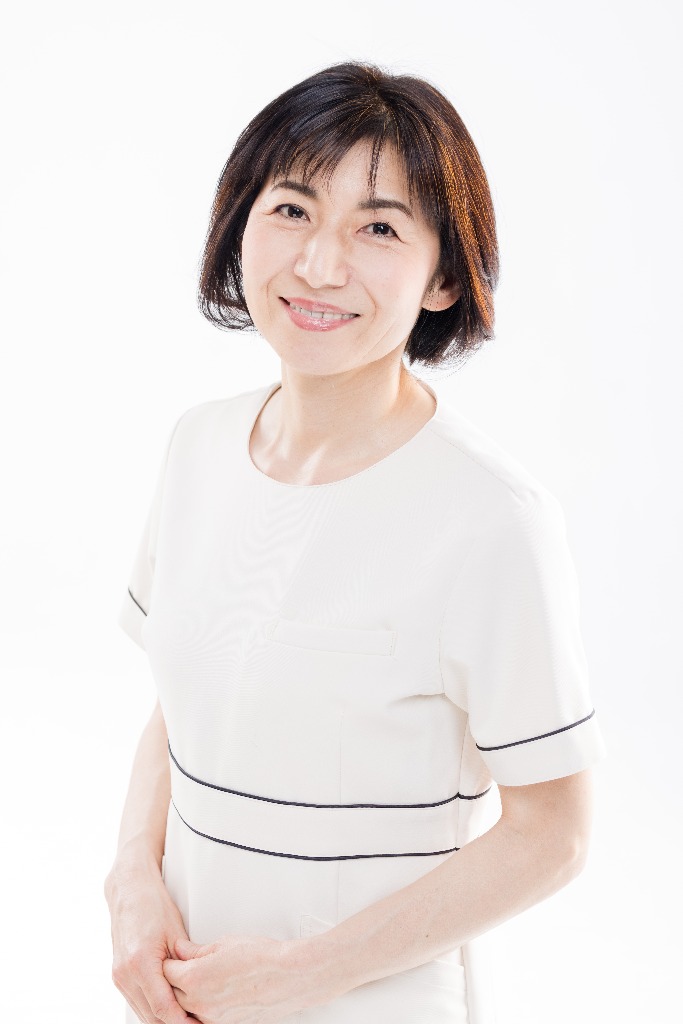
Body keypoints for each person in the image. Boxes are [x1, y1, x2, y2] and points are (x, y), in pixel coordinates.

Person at [105, 61, 607, 1024]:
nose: (319, 265)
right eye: (291, 210)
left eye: (378, 228)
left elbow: (555, 834)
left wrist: (303, 974)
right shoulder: (197, 447)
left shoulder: (492, 518)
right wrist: (130, 878)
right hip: (177, 998)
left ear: (444, 276)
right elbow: (185, 708)